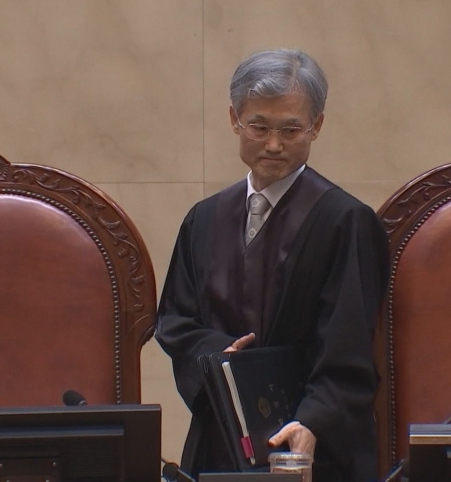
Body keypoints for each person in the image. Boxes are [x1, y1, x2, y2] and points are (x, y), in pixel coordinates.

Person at [155, 48, 389, 481]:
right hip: (221, 439)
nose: (274, 144)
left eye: (291, 129)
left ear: (317, 125)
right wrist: (217, 355)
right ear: (234, 119)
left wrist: (314, 421)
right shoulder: (203, 218)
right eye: (259, 127)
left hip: (313, 446)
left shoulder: (345, 221)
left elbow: (349, 344)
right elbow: (175, 320)